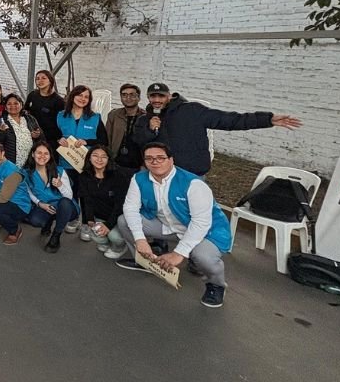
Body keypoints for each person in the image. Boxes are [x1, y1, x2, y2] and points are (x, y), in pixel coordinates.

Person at [109, 143, 233, 308]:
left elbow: (201, 223)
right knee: (124, 221)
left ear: (171, 160)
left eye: (160, 158)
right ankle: (144, 261)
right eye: (149, 158)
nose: (155, 162)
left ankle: (216, 285)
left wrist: (178, 253)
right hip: (169, 226)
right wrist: (140, 240)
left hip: (206, 232)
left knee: (203, 257)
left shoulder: (194, 184)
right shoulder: (138, 179)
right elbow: (130, 208)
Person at [132, 83, 301, 177]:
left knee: (194, 215)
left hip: (191, 173)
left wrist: (267, 119)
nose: (157, 99)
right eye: (153, 96)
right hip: (160, 173)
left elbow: (229, 120)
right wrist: (150, 129)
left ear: (169, 96)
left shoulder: (192, 110)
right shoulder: (145, 119)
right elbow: (139, 141)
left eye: (161, 95)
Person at [21, 142, 78, 253]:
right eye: (39, 153)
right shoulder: (26, 173)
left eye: (46, 153)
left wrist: (60, 186)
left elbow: (69, 196)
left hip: (66, 206)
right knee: (35, 220)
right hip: (46, 205)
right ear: (32, 154)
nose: (42, 156)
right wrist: (39, 203)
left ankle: (56, 235)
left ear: (50, 156)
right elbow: (29, 193)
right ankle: (49, 221)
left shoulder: (59, 170)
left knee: (64, 203)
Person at [74, 145, 132, 252]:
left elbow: (120, 204)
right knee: (95, 232)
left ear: (109, 159)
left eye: (104, 156)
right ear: (89, 158)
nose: (99, 159)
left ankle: (119, 247)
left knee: (115, 237)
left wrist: (108, 225)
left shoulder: (118, 175)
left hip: (117, 217)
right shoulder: (84, 176)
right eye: (95, 156)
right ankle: (105, 243)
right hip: (99, 216)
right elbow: (86, 199)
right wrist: (90, 219)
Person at [55, 85, 108, 170]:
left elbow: (104, 141)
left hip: (88, 166)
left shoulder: (95, 118)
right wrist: (59, 140)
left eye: (86, 97)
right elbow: (54, 136)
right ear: (72, 96)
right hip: (65, 165)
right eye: (80, 95)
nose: (83, 99)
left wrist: (86, 142)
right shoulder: (61, 116)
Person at [106, 83, 144, 169]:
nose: (128, 98)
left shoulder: (145, 117)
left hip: (138, 165)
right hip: (116, 163)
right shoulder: (114, 115)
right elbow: (107, 138)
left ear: (139, 97)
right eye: (124, 95)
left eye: (132, 95)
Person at [24, 69, 64, 145]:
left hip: (50, 139)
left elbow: (62, 123)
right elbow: (25, 111)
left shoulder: (59, 101)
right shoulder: (32, 95)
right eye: (37, 79)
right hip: (32, 135)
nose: (40, 81)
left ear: (50, 80)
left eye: (44, 78)